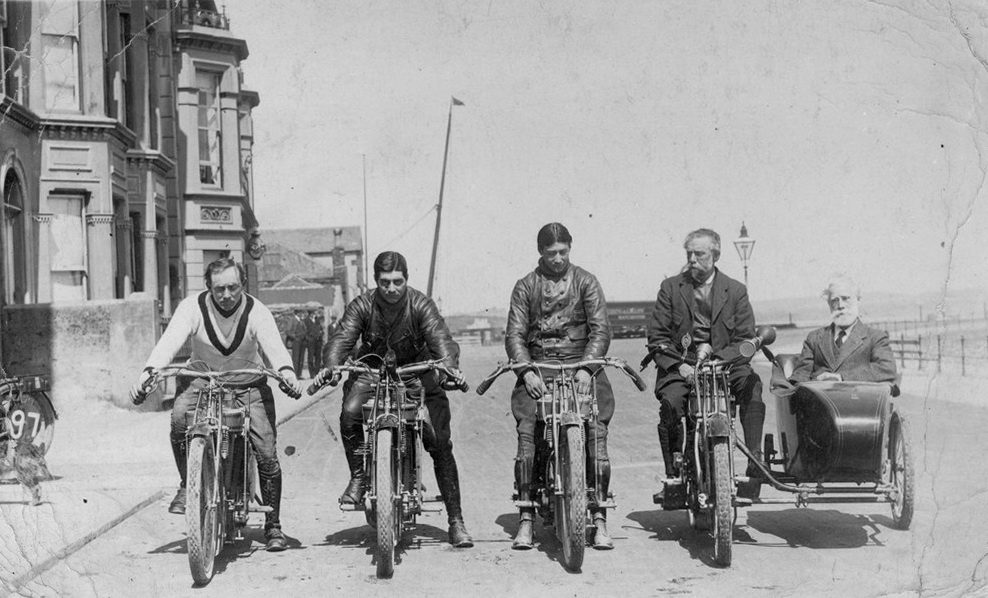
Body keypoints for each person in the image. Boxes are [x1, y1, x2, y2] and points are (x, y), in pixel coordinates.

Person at [130, 257, 303, 551]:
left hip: (248, 385)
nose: (226, 295)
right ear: (208, 286)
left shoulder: (256, 311)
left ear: (242, 286)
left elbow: (275, 347)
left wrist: (287, 373)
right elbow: (169, 342)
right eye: (219, 288)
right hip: (203, 382)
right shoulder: (191, 307)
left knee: (266, 452)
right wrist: (149, 373)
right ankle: (188, 484)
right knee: (179, 420)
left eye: (233, 288)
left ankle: (273, 525)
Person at [314, 251, 474, 548]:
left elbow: (441, 340)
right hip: (372, 372)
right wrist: (332, 365)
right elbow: (342, 338)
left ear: (406, 280)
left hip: (417, 373)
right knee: (350, 412)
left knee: (439, 441)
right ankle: (359, 476)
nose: (391, 288)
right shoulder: (362, 305)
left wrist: (449, 369)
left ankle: (456, 520)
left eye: (397, 281)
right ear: (376, 282)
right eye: (385, 282)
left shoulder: (421, 304)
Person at [504, 222, 615, 550]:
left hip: (582, 368)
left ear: (570, 248)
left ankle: (599, 517)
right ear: (540, 252)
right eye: (550, 253)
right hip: (540, 368)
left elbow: (601, 330)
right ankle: (526, 517)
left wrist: (588, 367)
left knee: (596, 432)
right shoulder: (525, 286)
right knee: (528, 433)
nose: (557, 258)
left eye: (563, 252)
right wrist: (526, 373)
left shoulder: (586, 281)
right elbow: (514, 335)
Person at [646, 228, 765, 501]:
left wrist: (723, 360)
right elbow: (657, 338)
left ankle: (755, 462)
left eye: (699, 254)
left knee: (752, 387)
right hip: (683, 365)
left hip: (726, 363)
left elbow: (746, 338)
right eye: (689, 254)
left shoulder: (735, 290)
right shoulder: (671, 288)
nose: (692, 259)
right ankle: (673, 476)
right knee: (672, 403)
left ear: (715, 255)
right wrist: (678, 367)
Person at [789, 275, 897, 384]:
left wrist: (842, 377)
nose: (840, 305)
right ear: (829, 304)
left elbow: (886, 369)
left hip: (858, 399)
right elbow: (801, 374)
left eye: (846, 298)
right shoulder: (814, 338)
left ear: (858, 300)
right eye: (835, 300)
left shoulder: (875, 338)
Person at [306, 305, 324, 377]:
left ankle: (316, 372)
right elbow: (305, 331)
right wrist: (309, 338)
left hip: (318, 341)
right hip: (311, 342)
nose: (316, 313)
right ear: (311, 313)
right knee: (310, 358)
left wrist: (321, 334)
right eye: (315, 312)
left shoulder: (317, 320)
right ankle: (312, 373)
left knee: (318, 358)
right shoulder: (306, 320)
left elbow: (320, 328)